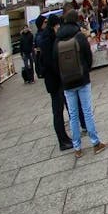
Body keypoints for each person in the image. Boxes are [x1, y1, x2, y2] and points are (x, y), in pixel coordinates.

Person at [54, 10, 107, 158]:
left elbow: (54, 62)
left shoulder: (57, 40)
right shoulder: (79, 36)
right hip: (82, 80)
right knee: (87, 111)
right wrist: (86, 70)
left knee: (73, 115)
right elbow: (88, 56)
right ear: (75, 20)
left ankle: (77, 148)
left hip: (67, 83)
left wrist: (63, 77)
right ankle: (95, 143)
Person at [36, 15, 74, 151]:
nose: (59, 27)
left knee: (59, 110)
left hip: (55, 80)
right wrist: (59, 72)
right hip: (53, 81)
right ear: (54, 25)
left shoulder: (50, 37)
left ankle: (65, 138)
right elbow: (49, 62)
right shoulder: (46, 40)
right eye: (58, 25)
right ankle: (62, 141)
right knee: (57, 112)